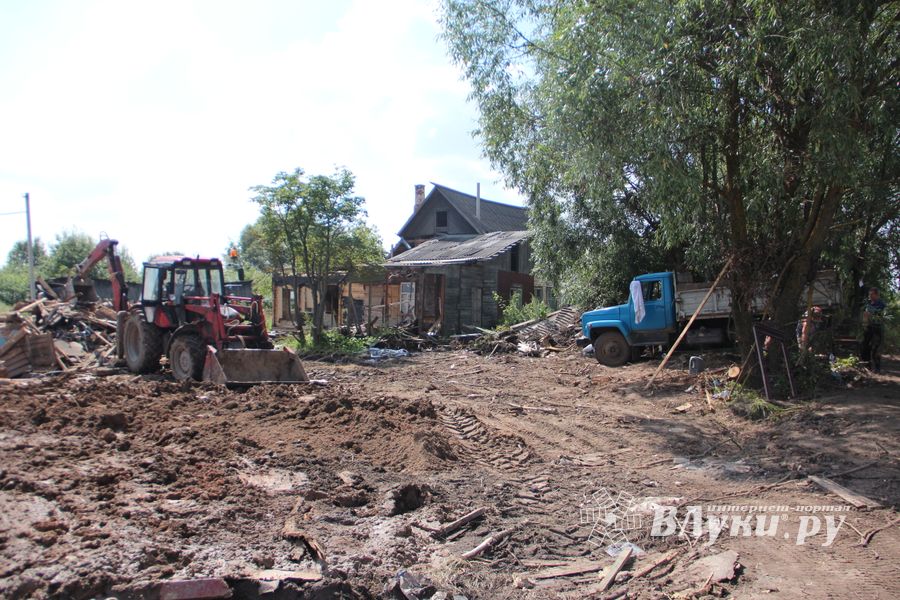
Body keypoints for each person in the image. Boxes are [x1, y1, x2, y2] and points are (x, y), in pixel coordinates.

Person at [860, 287, 886, 372]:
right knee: (865, 346)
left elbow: (881, 315)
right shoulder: (868, 304)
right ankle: (867, 366)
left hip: (877, 328)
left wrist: (870, 314)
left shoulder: (881, 304)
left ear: (876, 295)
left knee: (876, 348)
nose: (870, 296)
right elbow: (865, 315)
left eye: (871, 294)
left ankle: (877, 368)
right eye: (869, 294)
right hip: (868, 327)